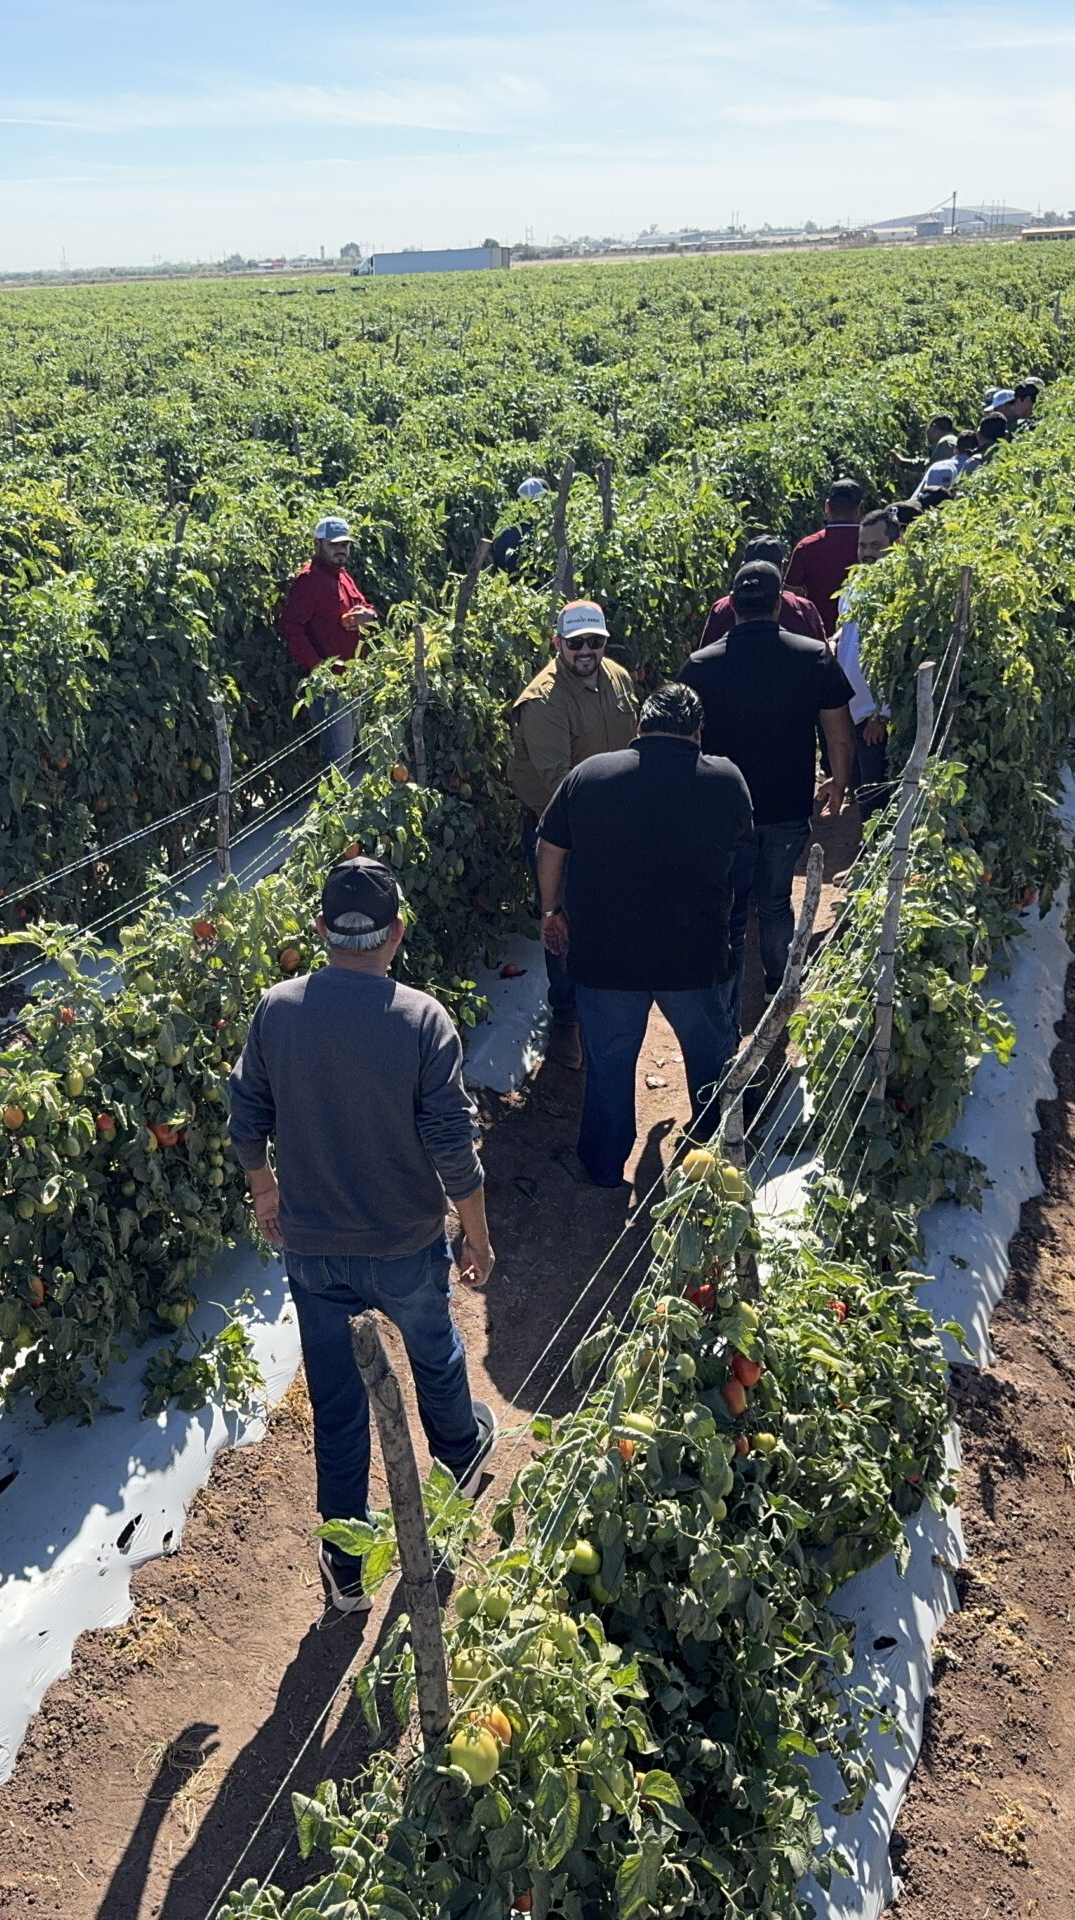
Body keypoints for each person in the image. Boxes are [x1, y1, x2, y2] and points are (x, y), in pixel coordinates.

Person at [228, 857, 499, 1613]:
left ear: (320, 931)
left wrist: (265, 1189)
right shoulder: (420, 1019)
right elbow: (452, 1146)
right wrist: (474, 1235)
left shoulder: (277, 1010)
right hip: (404, 1241)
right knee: (434, 1354)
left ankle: (345, 1564)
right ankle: (457, 1463)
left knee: (338, 1396)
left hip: (314, 1249)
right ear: (398, 933)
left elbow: (246, 1116)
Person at [535, 684, 751, 1188]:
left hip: (607, 959)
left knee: (608, 1068)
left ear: (638, 728)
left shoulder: (590, 776)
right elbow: (740, 852)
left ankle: (606, 1167)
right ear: (698, 734)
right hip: (694, 958)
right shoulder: (726, 780)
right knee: (709, 1063)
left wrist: (552, 910)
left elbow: (550, 847)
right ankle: (711, 1162)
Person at [679, 559, 858, 1002]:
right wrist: (838, 782)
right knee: (776, 902)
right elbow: (839, 731)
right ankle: (781, 989)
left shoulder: (700, 666)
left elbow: (683, 742)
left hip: (723, 809)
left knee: (731, 905)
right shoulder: (812, 656)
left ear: (732, 606)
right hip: (787, 805)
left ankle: (728, 990)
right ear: (780, 603)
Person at [509, 600, 641, 1068]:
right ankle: (566, 1019)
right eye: (576, 642)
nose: (586, 651)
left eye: (595, 641)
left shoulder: (619, 677)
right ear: (557, 643)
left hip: (611, 822)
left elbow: (634, 745)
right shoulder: (544, 700)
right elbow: (559, 782)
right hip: (562, 830)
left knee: (609, 915)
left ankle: (606, 1001)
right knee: (560, 922)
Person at [273, 516, 379, 769]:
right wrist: (319, 668)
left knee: (350, 750)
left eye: (345, 545)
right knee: (339, 757)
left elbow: (366, 607)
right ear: (318, 544)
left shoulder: (342, 575)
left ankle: (341, 804)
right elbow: (289, 626)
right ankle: (332, 806)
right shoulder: (310, 580)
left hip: (353, 678)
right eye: (334, 545)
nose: (341, 550)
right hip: (332, 686)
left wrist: (368, 615)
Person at [834, 507, 904, 817]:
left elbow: (901, 656)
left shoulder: (901, 591)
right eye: (863, 546)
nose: (867, 553)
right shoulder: (853, 585)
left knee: (876, 797)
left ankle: (875, 852)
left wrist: (883, 713)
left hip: (874, 717)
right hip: (854, 711)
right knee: (862, 788)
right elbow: (850, 630)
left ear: (896, 544)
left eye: (876, 546)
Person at [698, 535, 826, 645]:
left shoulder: (722, 609)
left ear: (743, 566)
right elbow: (822, 658)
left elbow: (705, 657)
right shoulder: (802, 609)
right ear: (782, 568)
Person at [784, 478, 867, 632]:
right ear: (859, 508)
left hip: (818, 635)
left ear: (827, 507)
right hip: (863, 633)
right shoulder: (872, 544)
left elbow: (789, 597)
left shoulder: (807, 547)